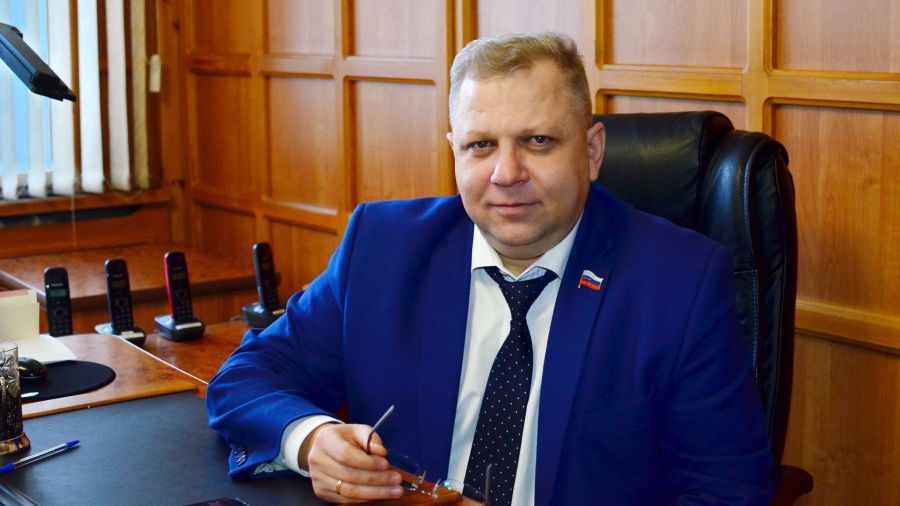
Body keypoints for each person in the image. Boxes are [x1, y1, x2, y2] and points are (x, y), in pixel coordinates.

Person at [207, 32, 774, 505]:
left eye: (538, 141)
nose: (506, 173)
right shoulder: (382, 249)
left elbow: (727, 489)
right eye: (480, 145)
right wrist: (312, 439)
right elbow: (248, 377)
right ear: (453, 151)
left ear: (592, 150)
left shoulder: (681, 282)